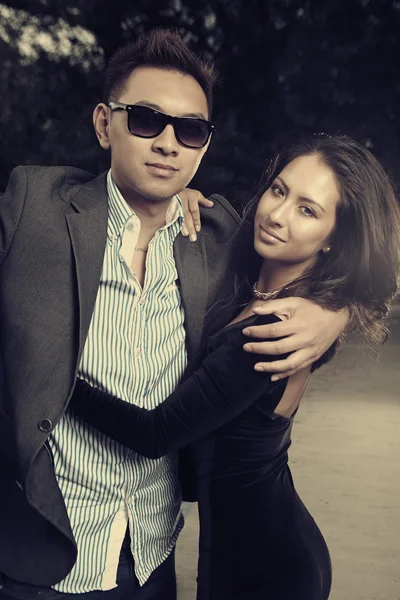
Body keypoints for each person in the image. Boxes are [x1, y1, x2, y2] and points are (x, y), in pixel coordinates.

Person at [0, 30, 349, 600]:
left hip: (154, 556)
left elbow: (327, 260)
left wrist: (334, 310)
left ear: (203, 146)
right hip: (41, 562)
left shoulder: (220, 237)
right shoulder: (34, 206)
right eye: (145, 119)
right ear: (103, 124)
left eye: (189, 129)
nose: (168, 143)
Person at [69, 134, 400, 600]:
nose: (278, 215)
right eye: (280, 191)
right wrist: (176, 195)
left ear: (334, 240)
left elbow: (155, 434)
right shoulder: (259, 289)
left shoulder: (275, 330)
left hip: (260, 567)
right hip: (251, 540)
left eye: (308, 210)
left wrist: (56, 379)